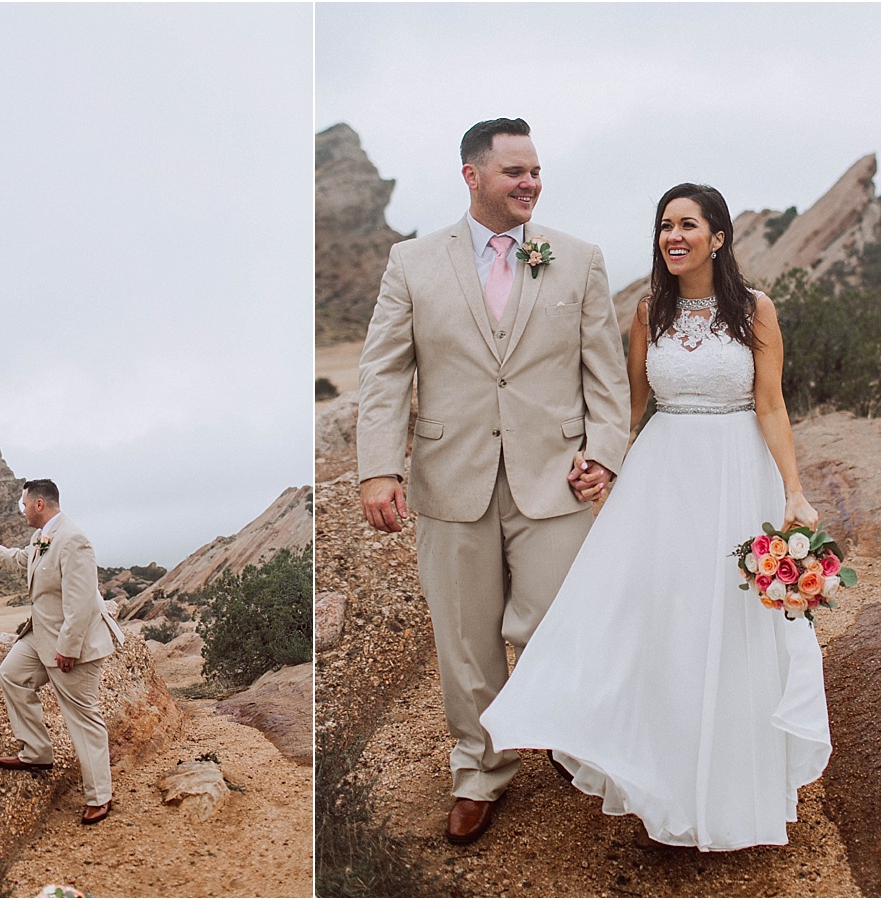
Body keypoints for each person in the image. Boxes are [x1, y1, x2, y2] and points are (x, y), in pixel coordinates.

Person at [480, 182, 831, 851]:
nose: (674, 236)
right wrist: (603, 464)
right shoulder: (649, 313)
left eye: (688, 225)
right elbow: (631, 406)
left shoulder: (756, 310)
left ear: (718, 237)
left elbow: (771, 405)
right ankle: (661, 778)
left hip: (736, 472)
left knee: (733, 626)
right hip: (663, 477)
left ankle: (728, 793)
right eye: (665, 225)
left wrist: (792, 491)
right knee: (658, 616)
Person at [354, 117, 629, 845]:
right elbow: (383, 371)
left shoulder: (579, 259)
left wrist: (606, 447)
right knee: (467, 641)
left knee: (557, 627)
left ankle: (571, 743)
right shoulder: (411, 263)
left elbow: (603, 367)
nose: (530, 183)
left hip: (557, 479)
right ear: (472, 176)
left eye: (535, 171)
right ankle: (480, 768)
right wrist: (379, 467)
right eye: (515, 172)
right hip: (451, 480)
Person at [0, 479, 125, 825]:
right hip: (41, 636)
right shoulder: (42, 537)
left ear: (38, 505)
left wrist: (68, 649)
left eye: (23, 505)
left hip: (71, 644)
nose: (21, 511)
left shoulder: (74, 540)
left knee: (83, 718)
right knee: (11, 674)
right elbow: (20, 560)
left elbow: (79, 603)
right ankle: (36, 752)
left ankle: (100, 797)